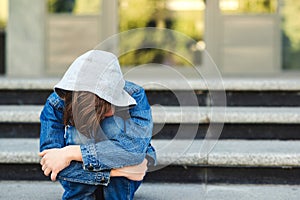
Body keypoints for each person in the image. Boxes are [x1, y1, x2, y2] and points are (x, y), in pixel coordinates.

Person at [39, 50, 156, 200]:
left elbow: (136, 151)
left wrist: (71, 153)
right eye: (107, 106)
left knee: (113, 126)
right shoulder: (56, 104)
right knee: (80, 131)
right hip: (80, 187)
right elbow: (51, 164)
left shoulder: (135, 94)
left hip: (120, 188)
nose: (113, 110)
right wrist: (118, 171)